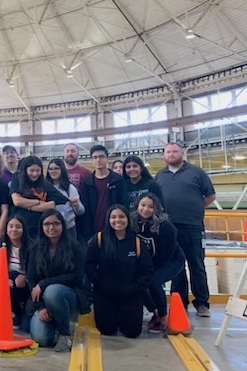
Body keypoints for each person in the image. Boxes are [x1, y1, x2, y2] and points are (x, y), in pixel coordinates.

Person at [155, 142, 216, 317]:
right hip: (170, 228)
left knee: (196, 264)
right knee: (176, 266)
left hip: (193, 227)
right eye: (168, 152)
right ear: (164, 155)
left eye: (175, 151)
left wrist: (194, 209)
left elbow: (210, 196)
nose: (171, 154)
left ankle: (202, 302)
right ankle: (179, 302)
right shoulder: (160, 176)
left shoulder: (197, 173)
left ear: (182, 153)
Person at [85, 205, 153, 338]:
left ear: (128, 219)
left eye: (121, 217)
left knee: (132, 332)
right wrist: (100, 283)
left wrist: (134, 287)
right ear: (108, 220)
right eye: (113, 217)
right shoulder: (99, 239)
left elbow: (147, 272)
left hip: (130, 293)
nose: (118, 220)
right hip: (105, 293)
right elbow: (89, 265)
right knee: (106, 330)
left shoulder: (137, 242)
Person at [27, 210, 88, 352]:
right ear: (41, 226)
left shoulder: (74, 246)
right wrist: (41, 307)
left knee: (52, 291)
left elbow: (76, 277)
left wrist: (44, 283)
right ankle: (54, 319)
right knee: (42, 339)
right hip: (42, 299)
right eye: (47, 224)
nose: (51, 227)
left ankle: (65, 335)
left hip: (67, 295)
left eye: (55, 223)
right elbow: (31, 279)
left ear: (63, 225)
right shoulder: (36, 248)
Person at [131, 193, 185, 333]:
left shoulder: (165, 226)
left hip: (171, 260)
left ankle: (163, 316)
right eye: (143, 205)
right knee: (136, 281)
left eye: (150, 207)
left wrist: (147, 270)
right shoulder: (132, 223)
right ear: (137, 206)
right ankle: (153, 311)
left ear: (156, 209)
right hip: (149, 263)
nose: (146, 209)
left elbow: (166, 255)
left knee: (153, 280)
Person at [10, 155, 68, 238]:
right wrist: (38, 202)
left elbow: (51, 205)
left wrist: (26, 205)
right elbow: (17, 201)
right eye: (31, 170)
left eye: (38, 170)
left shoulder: (45, 184)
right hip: (21, 228)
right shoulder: (17, 182)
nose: (35, 174)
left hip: (40, 228)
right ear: (25, 170)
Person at [79, 145, 126, 244]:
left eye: (101, 157)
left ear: (107, 159)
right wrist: (87, 233)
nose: (98, 160)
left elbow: (123, 204)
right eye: (95, 157)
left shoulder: (118, 180)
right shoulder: (87, 183)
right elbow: (85, 209)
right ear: (92, 160)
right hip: (93, 232)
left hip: (115, 229)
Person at [0, 215, 32, 329]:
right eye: (10, 226)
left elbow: (35, 272)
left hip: (28, 285)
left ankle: (25, 310)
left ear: (23, 229)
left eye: (18, 227)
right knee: (5, 287)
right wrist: (9, 277)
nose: (13, 229)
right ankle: (15, 312)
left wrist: (23, 277)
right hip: (10, 282)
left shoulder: (32, 246)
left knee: (26, 328)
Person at [45, 158, 85, 240]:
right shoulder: (43, 188)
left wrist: (76, 205)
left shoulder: (70, 188)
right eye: (50, 169)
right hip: (49, 229)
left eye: (56, 168)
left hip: (68, 228)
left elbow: (81, 211)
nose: (53, 171)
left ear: (62, 170)